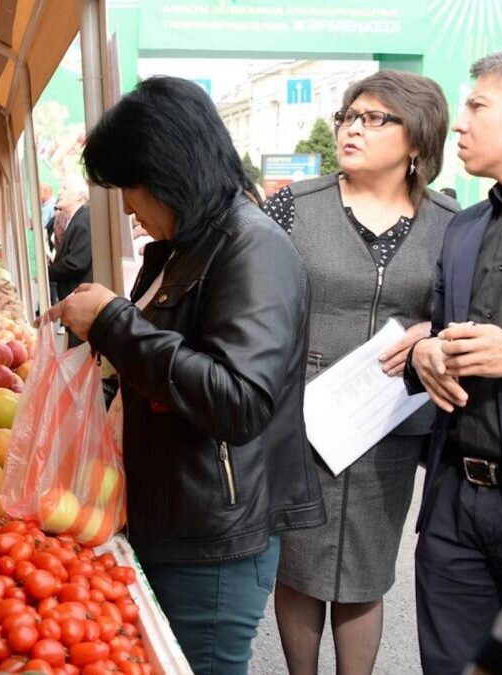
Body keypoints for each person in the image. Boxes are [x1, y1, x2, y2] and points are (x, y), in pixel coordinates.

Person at [45, 76, 325, 675]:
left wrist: (116, 323)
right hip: (173, 513)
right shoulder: (183, 248)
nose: (126, 205)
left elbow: (239, 399)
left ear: (172, 170)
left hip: (214, 536)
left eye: (132, 185)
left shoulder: (253, 249)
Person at [261, 70, 456, 675]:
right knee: (297, 563)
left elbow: (465, 311)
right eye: (349, 115)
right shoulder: (293, 206)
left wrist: (435, 331)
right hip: (303, 420)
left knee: (366, 569)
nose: (352, 127)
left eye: (375, 118)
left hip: (389, 423)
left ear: (417, 141)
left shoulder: (453, 225)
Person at [405, 45, 502, 675]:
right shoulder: (462, 226)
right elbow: (433, 329)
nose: (461, 121)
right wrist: (425, 351)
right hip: (455, 495)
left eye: (479, 104)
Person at [48, 180, 93, 347]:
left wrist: (48, 272)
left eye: (65, 188)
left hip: (79, 298)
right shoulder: (77, 219)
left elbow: (77, 263)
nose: (60, 192)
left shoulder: (83, 221)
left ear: (79, 195)